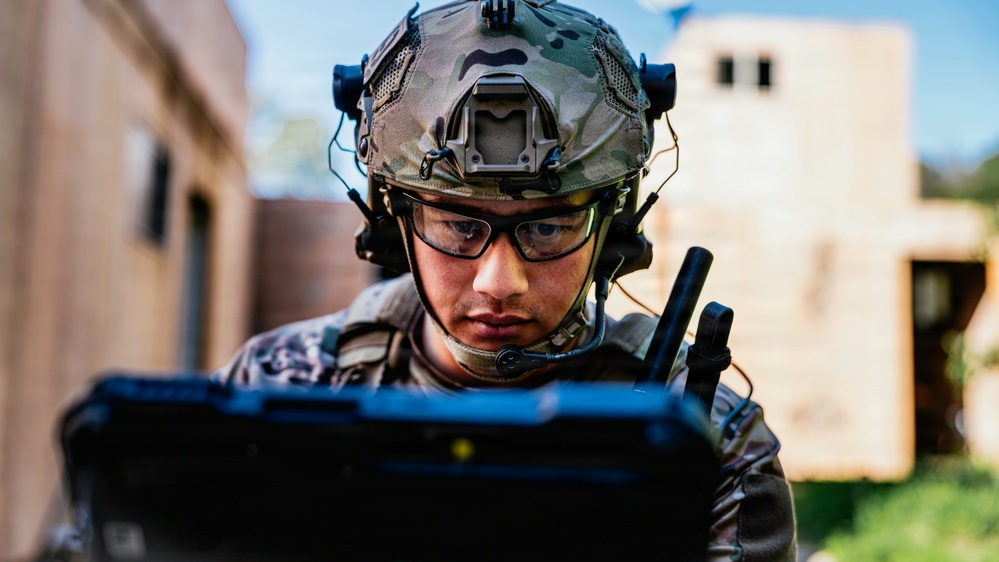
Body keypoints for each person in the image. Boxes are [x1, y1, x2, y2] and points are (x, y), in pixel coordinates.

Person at [215, 1, 797, 559]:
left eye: (548, 228)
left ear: (614, 224)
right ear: (395, 217)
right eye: (459, 225)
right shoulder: (281, 387)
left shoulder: (702, 434)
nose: (499, 283)